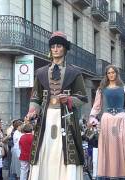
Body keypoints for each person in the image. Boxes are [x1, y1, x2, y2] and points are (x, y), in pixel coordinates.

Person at [26, 31, 88, 180]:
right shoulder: (40, 73)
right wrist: (32, 112)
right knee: (43, 150)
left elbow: (82, 97)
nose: (55, 49)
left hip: (66, 118)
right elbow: (36, 97)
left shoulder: (74, 72)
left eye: (59, 46)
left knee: (65, 150)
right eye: (53, 46)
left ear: (64, 49)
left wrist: (69, 99)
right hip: (46, 119)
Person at [88, 65, 125, 179]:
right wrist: (92, 117)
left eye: (113, 72)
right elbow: (96, 106)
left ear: (117, 74)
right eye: (109, 73)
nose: (111, 75)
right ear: (106, 75)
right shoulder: (101, 89)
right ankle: (107, 173)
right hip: (107, 119)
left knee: (123, 145)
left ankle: (123, 173)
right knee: (107, 146)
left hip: (121, 118)